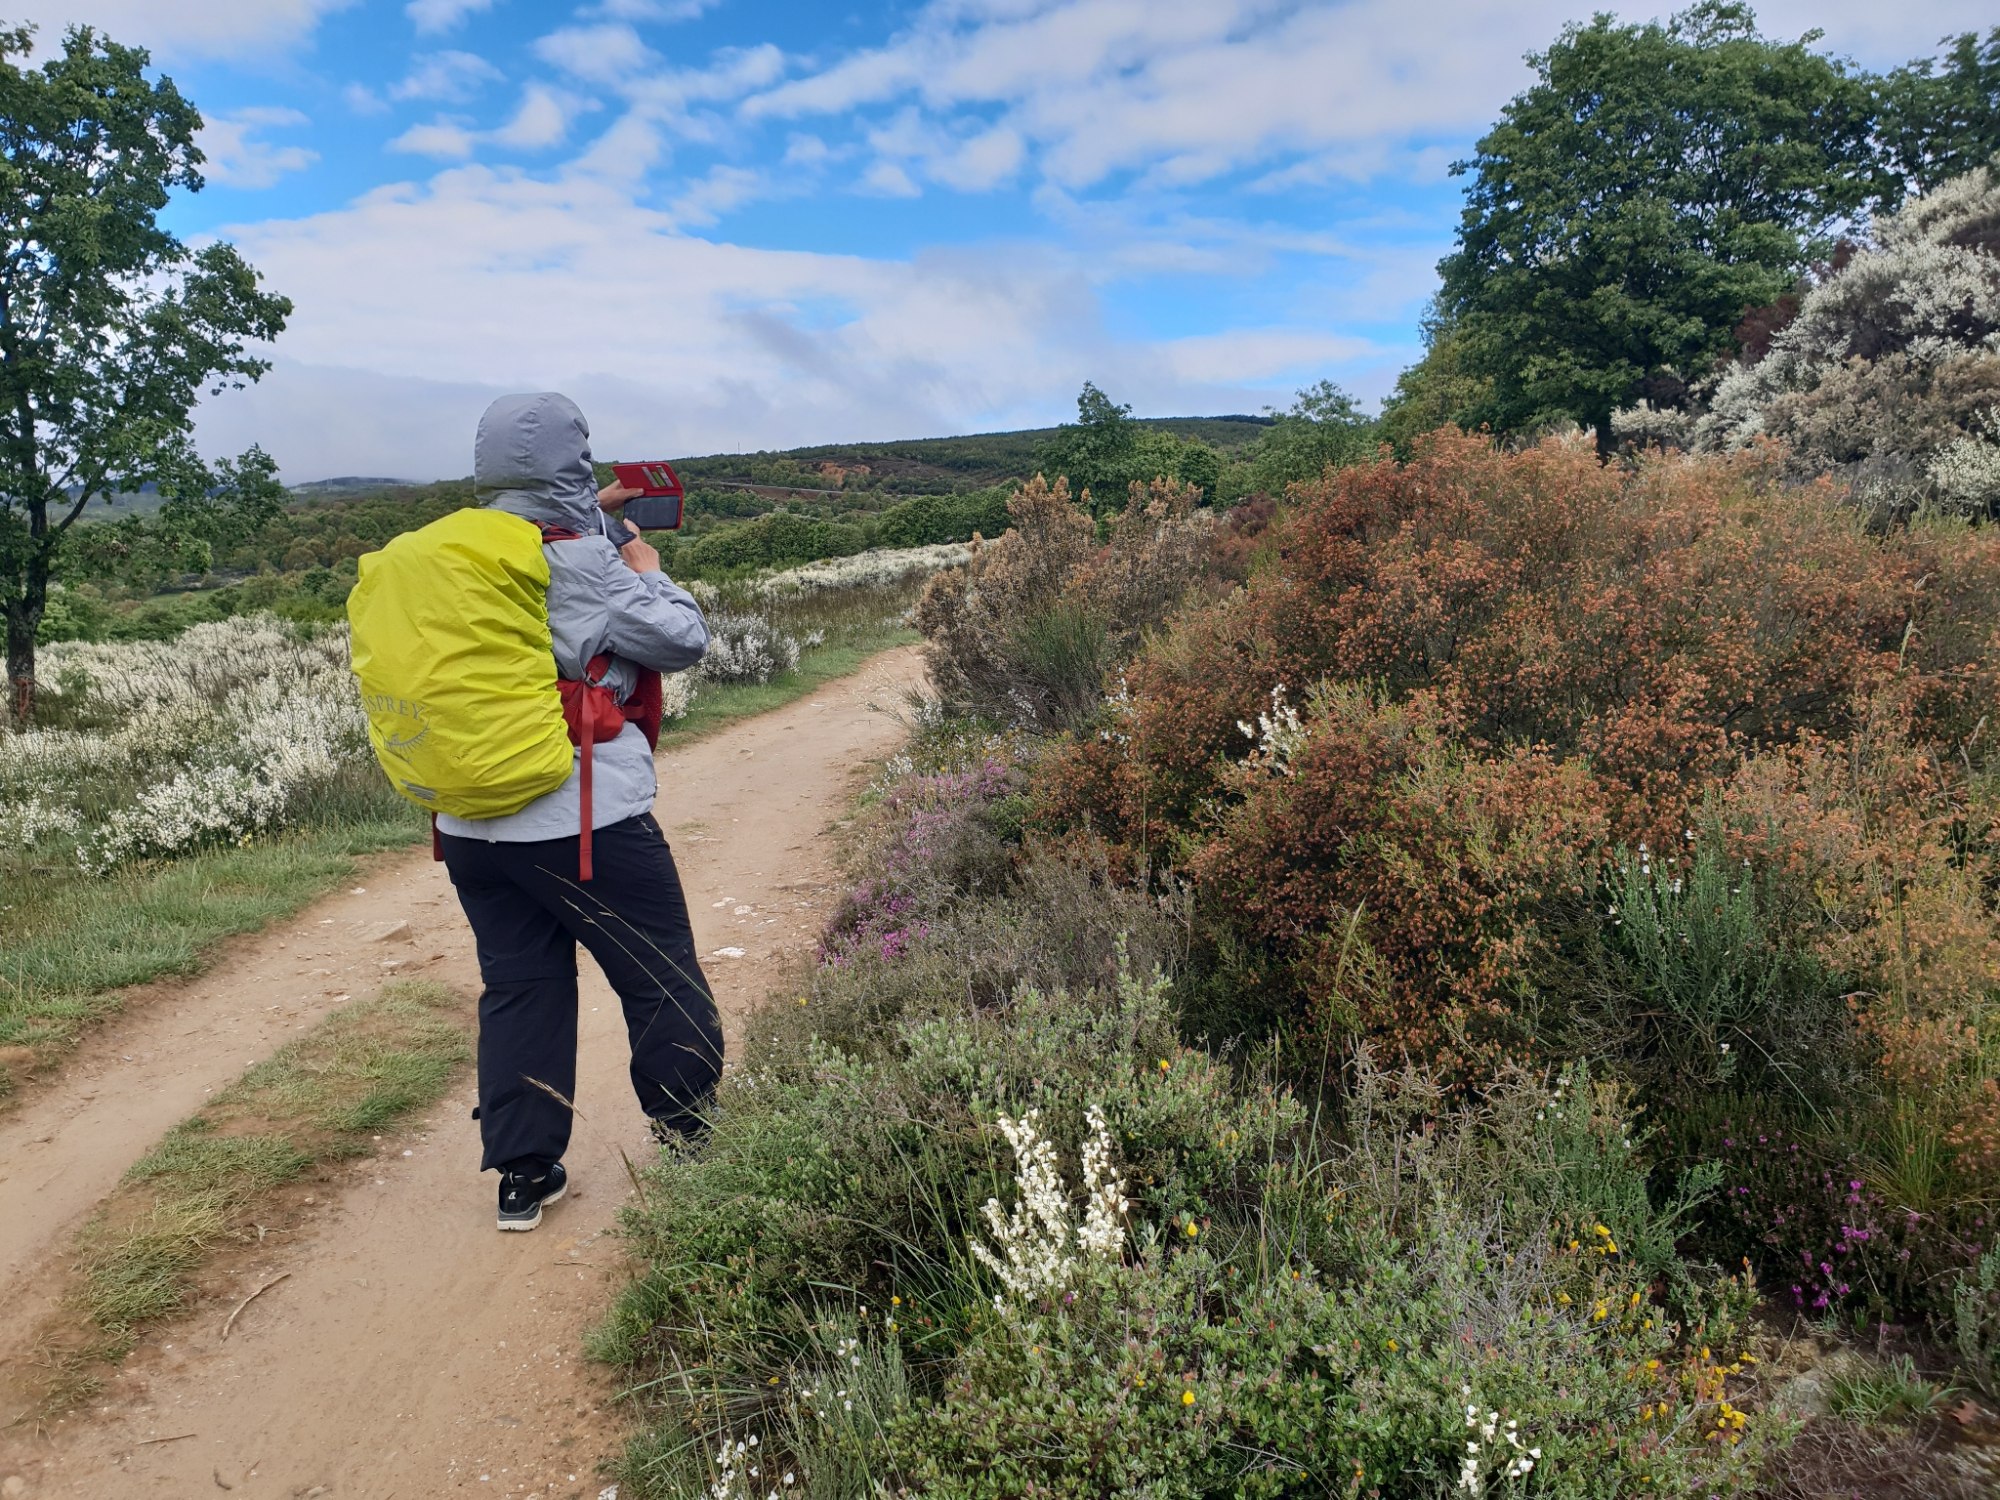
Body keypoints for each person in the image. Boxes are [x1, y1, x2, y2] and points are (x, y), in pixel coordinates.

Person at [434, 392, 719, 1231]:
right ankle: (694, 1146)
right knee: (659, 973)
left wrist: (593, 519)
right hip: (584, 822)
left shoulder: (457, 554)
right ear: (577, 460)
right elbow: (679, 640)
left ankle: (523, 1177)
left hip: (471, 825)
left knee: (520, 987)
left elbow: (537, 540)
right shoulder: (587, 564)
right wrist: (643, 562)